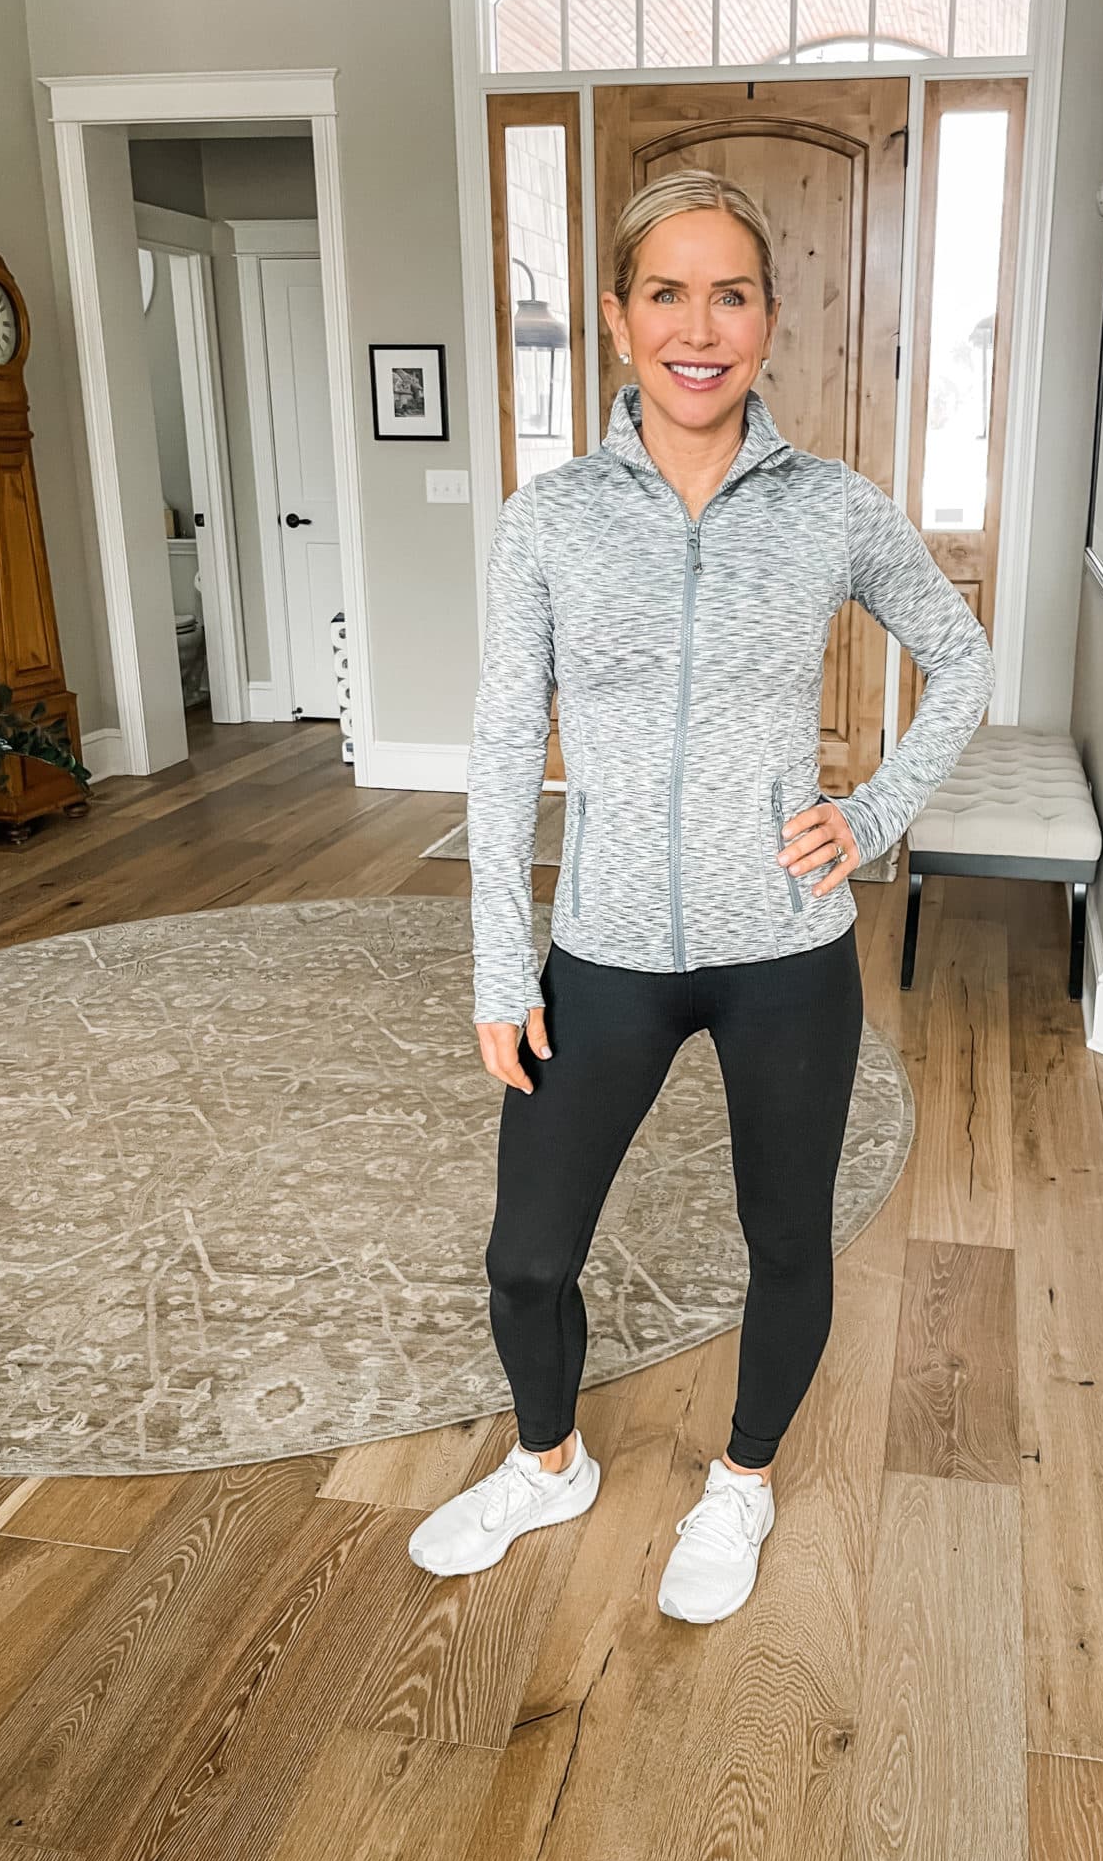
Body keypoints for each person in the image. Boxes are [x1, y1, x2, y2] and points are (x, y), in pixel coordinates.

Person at [409, 167, 995, 1623]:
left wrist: (865, 820)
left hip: (787, 951)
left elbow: (963, 659)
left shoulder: (833, 509)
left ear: (770, 321)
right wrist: (500, 968)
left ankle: (740, 1484)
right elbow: (497, 749)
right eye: (665, 292)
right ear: (615, 322)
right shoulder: (548, 522)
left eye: (730, 293)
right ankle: (549, 1465)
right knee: (526, 1254)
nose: (699, 324)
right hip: (602, 949)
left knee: (787, 1236)